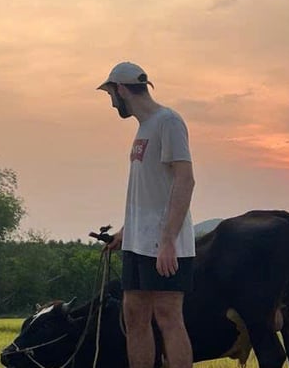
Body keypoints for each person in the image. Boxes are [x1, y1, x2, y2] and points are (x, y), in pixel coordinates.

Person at [97, 62, 196, 368]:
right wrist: (125, 232)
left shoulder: (169, 122)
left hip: (166, 244)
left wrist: (168, 241)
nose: (112, 102)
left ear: (121, 90)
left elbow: (185, 180)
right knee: (134, 313)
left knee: (168, 315)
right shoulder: (144, 128)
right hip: (138, 242)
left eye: (111, 94)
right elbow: (149, 191)